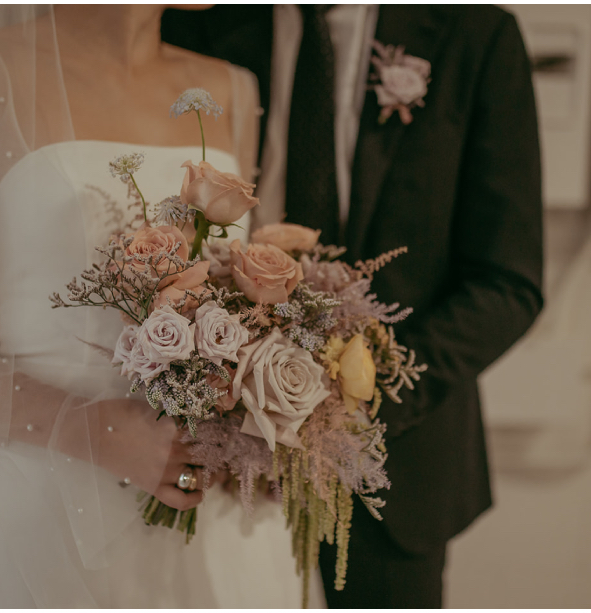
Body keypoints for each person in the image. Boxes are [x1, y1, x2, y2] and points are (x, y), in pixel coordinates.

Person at [0, 5, 303, 607]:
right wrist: (88, 427)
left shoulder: (231, 88)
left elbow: (257, 289)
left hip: (223, 509)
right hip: (47, 506)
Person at [163, 4, 544, 607]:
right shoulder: (197, 25)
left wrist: (344, 405)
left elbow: (508, 281)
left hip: (394, 476)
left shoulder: (472, 33)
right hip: (217, 456)